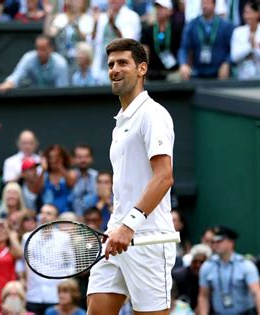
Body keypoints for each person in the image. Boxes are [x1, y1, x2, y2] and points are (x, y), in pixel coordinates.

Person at [87, 38, 175, 315]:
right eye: (111, 64)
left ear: (141, 69)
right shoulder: (121, 121)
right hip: (116, 234)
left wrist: (130, 225)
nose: (115, 69)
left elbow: (164, 178)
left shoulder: (153, 114)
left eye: (123, 62)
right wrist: (120, 227)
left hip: (148, 238)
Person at [197, 226, 260, 315]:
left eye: (220, 241)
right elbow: (203, 296)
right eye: (214, 241)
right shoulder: (207, 266)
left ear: (231, 242)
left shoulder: (245, 265)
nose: (216, 244)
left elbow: (257, 294)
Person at [21, 204, 63, 315]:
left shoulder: (64, 238)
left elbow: (71, 266)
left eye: (48, 213)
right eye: (42, 212)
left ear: (56, 218)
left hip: (56, 296)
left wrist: (61, 281)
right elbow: (23, 264)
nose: (44, 216)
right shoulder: (27, 237)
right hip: (33, 295)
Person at [178, 0, 234, 79]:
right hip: (197, 72)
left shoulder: (226, 25)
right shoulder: (192, 25)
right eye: (203, 3)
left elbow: (233, 49)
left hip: (219, 72)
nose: (204, 6)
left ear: (214, 5)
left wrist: (227, 63)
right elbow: (183, 48)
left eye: (207, 3)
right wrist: (183, 64)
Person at [90, 0, 142, 84]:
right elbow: (92, 42)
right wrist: (95, 23)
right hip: (103, 65)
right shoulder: (102, 17)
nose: (112, 1)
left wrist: (113, 25)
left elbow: (128, 42)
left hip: (123, 64)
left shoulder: (132, 16)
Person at [0, 35, 69, 92]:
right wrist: (8, 83)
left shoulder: (61, 64)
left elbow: (62, 89)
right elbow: (17, 75)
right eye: (38, 48)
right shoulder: (28, 58)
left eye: (43, 49)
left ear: (51, 49)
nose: (39, 53)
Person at [140, 0, 184, 81]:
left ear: (170, 11)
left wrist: (182, 65)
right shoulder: (148, 29)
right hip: (152, 72)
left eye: (162, 8)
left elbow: (182, 48)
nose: (158, 11)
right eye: (157, 8)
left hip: (173, 72)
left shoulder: (177, 29)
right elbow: (145, 50)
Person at [231, 1, 260, 80]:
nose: (246, 16)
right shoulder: (238, 32)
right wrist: (250, 46)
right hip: (244, 78)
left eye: (249, 13)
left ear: (257, 14)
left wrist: (254, 47)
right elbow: (235, 57)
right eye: (245, 13)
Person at [37, 145, 77, 214]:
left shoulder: (70, 173)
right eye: (50, 157)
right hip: (47, 214)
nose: (53, 160)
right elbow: (38, 190)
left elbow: (71, 183)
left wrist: (59, 166)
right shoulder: (44, 175)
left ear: (62, 158)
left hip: (66, 214)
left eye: (56, 157)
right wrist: (43, 170)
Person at [172, 244, 212, 311]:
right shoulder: (178, 276)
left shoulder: (212, 278)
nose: (198, 265)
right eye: (195, 261)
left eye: (202, 262)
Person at [71, 144, 98, 217]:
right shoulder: (70, 177)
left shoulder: (97, 177)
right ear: (73, 159)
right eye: (79, 157)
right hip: (73, 219)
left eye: (86, 157)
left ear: (91, 158)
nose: (83, 160)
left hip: (93, 218)